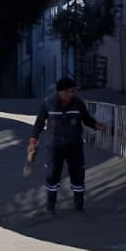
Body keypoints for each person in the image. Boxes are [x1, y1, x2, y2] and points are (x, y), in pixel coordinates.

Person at [29, 77, 107, 214]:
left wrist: (96, 125)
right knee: (52, 175)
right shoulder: (48, 103)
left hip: (74, 146)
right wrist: (33, 142)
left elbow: (86, 119)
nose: (71, 94)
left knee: (78, 175)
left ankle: (79, 207)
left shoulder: (78, 104)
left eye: (73, 91)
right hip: (54, 146)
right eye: (68, 91)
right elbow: (39, 124)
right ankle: (50, 207)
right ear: (60, 92)